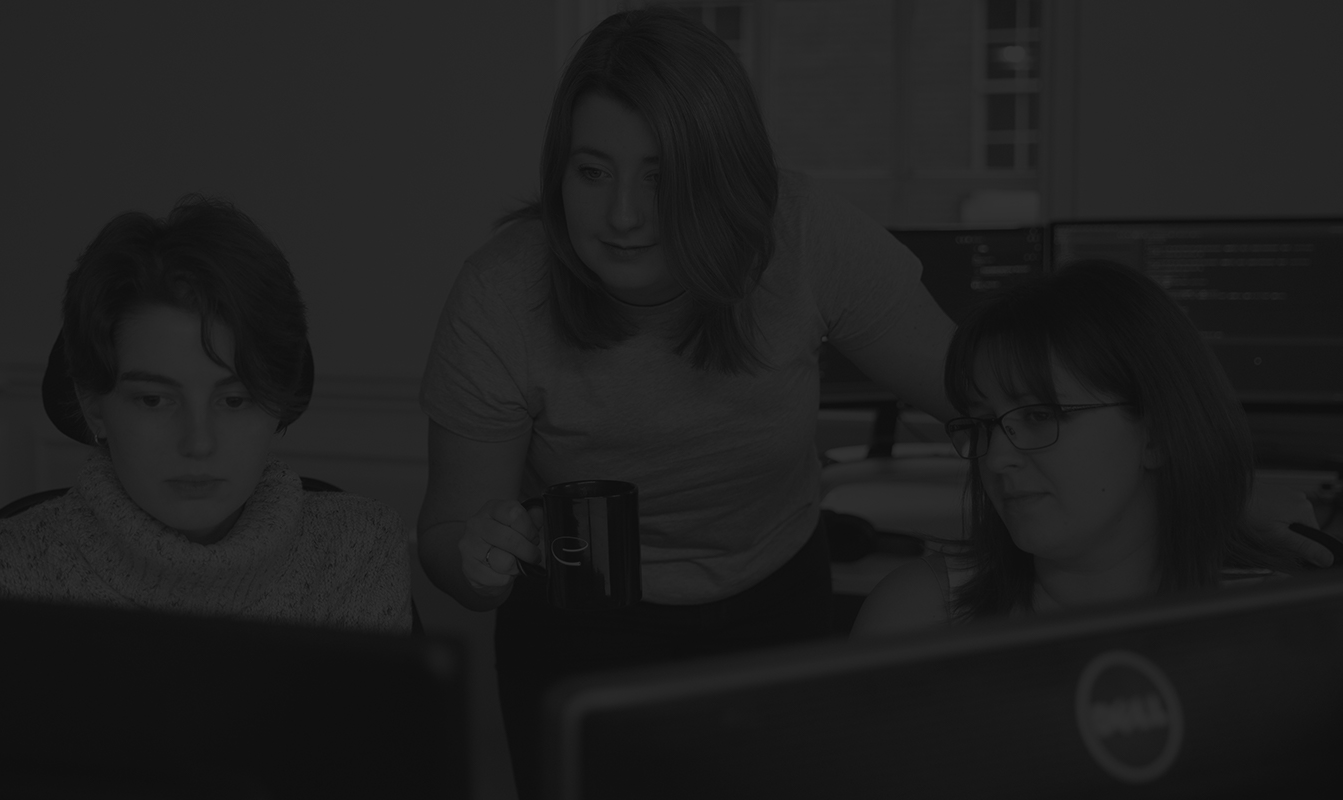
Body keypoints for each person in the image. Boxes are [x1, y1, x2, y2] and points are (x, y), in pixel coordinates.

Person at [415, 8, 1326, 797]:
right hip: (584, 624)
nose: (620, 215)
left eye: (660, 175)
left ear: (724, 174)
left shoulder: (805, 237)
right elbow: (450, 536)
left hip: (772, 593)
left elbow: (985, 399)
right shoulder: (504, 295)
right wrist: (481, 557)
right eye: (591, 171)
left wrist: (1230, 493)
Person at [0, 195, 411, 636]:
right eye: (154, 400)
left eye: (235, 400)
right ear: (93, 405)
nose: (198, 443)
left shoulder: (357, 551)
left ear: (282, 401)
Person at [851, 260, 1308, 638]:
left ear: (1159, 435)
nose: (995, 458)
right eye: (986, 423)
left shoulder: (1283, 627)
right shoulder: (918, 617)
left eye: (1040, 415)